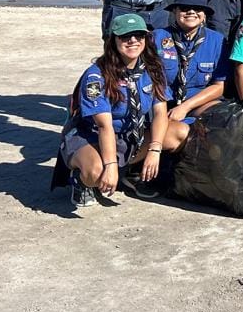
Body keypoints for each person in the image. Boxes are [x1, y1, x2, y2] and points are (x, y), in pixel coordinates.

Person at [57, 13, 169, 207]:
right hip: (90, 136)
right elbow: (103, 126)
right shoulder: (96, 75)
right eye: (125, 36)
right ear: (113, 40)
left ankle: (129, 172)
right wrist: (110, 166)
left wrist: (154, 149)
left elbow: (160, 113)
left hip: (130, 134)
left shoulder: (153, 68)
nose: (133, 40)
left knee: (178, 132)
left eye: (139, 35)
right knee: (96, 172)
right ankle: (81, 179)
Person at [153, 0, 226, 152]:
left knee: (224, 117)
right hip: (162, 106)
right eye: (185, 8)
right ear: (175, 11)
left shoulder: (217, 40)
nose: (191, 11)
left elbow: (218, 86)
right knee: (178, 134)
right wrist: (164, 112)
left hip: (196, 104)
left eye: (198, 8)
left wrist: (185, 107)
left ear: (204, 15)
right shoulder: (157, 37)